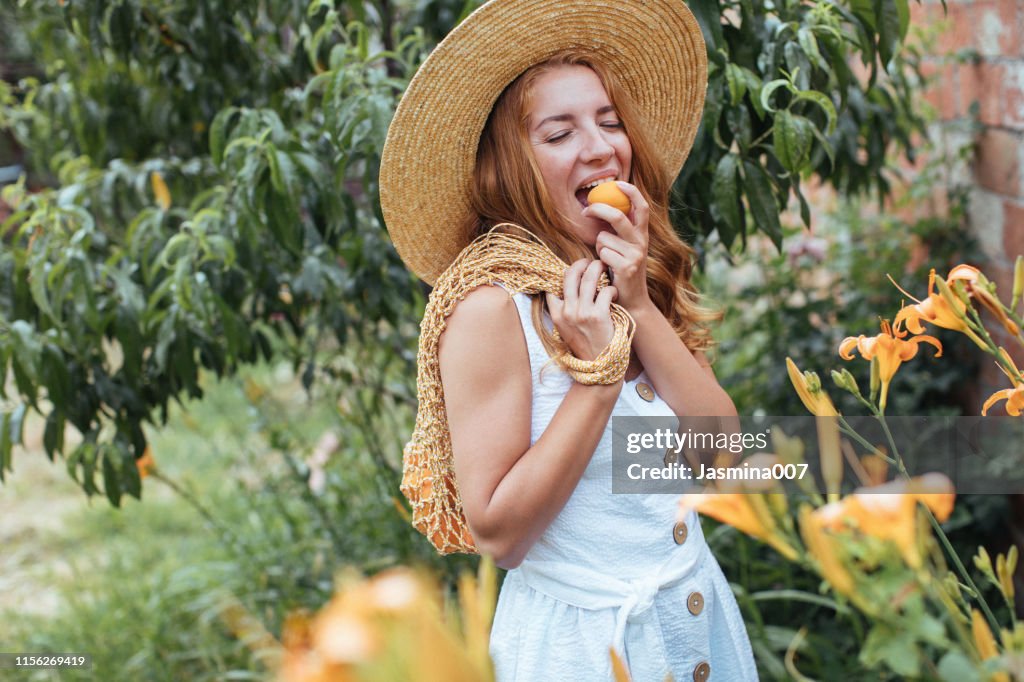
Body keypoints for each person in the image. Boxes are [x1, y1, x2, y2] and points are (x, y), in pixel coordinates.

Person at [380, 1, 759, 680]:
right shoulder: (491, 309)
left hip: (695, 625)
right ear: (508, 167)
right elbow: (499, 534)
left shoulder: (631, 272)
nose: (602, 147)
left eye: (609, 122)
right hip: (583, 651)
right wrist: (598, 378)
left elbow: (721, 455)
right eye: (559, 133)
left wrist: (638, 303)